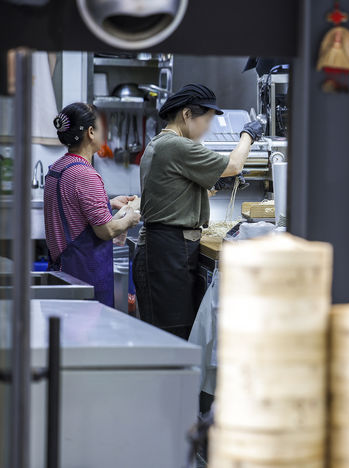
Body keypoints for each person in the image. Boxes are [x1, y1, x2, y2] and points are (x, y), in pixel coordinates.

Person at [133, 83, 264, 339]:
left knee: (176, 333)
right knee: (172, 336)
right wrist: (248, 134)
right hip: (167, 251)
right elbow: (235, 164)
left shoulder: (162, 144)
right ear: (186, 115)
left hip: (169, 248)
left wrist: (217, 183)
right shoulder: (175, 146)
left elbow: (179, 195)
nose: (207, 129)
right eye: (206, 121)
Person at [45, 102, 141, 307]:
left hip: (61, 273)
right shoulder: (85, 175)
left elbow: (72, 209)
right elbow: (105, 231)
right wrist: (130, 219)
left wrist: (108, 203)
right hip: (84, 278)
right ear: (90, 132)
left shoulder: (58, 167)